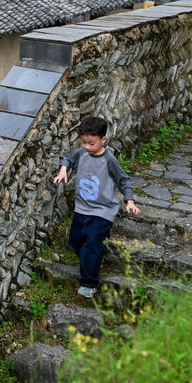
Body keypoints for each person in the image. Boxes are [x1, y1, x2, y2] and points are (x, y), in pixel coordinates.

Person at [53, 115, 140, 297]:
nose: (86, 147)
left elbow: (123, 180)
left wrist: (129, 201)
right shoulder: (82, 153)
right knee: (76, 240)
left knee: (91, 243)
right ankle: (95, 259)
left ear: (103, 139)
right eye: (83, 142)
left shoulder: (109, 160)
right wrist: (63, 169)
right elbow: (68, 158)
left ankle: (89, 284)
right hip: (82, 208)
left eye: (91, 143)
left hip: (103, 210)